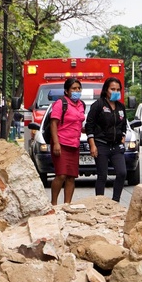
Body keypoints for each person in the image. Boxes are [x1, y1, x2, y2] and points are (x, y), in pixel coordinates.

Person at [85, 77, 128, 202]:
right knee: (102, 175)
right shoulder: (98, 105)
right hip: (101, 145)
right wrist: (92, 145)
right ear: (106, 90)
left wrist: (123, 137)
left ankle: (115, 201)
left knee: (122, 173)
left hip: (116, 146)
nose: (115, 92)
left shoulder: (121, 107)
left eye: (118, 89)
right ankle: (100, 202)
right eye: (112, 89)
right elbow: (89, 126)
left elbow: (123, 124)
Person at [49, 77, 86, 205]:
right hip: (61, 143)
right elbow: (54, 123)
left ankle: (67, 205)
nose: (77, 91)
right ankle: (53, 203)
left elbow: (78, 124)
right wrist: (56, 143)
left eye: (78, 88)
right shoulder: (61, 103)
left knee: (71, 176)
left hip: (74, 144)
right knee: (61, 175)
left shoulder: (81, 105)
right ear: (66, 91)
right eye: (74, 88)